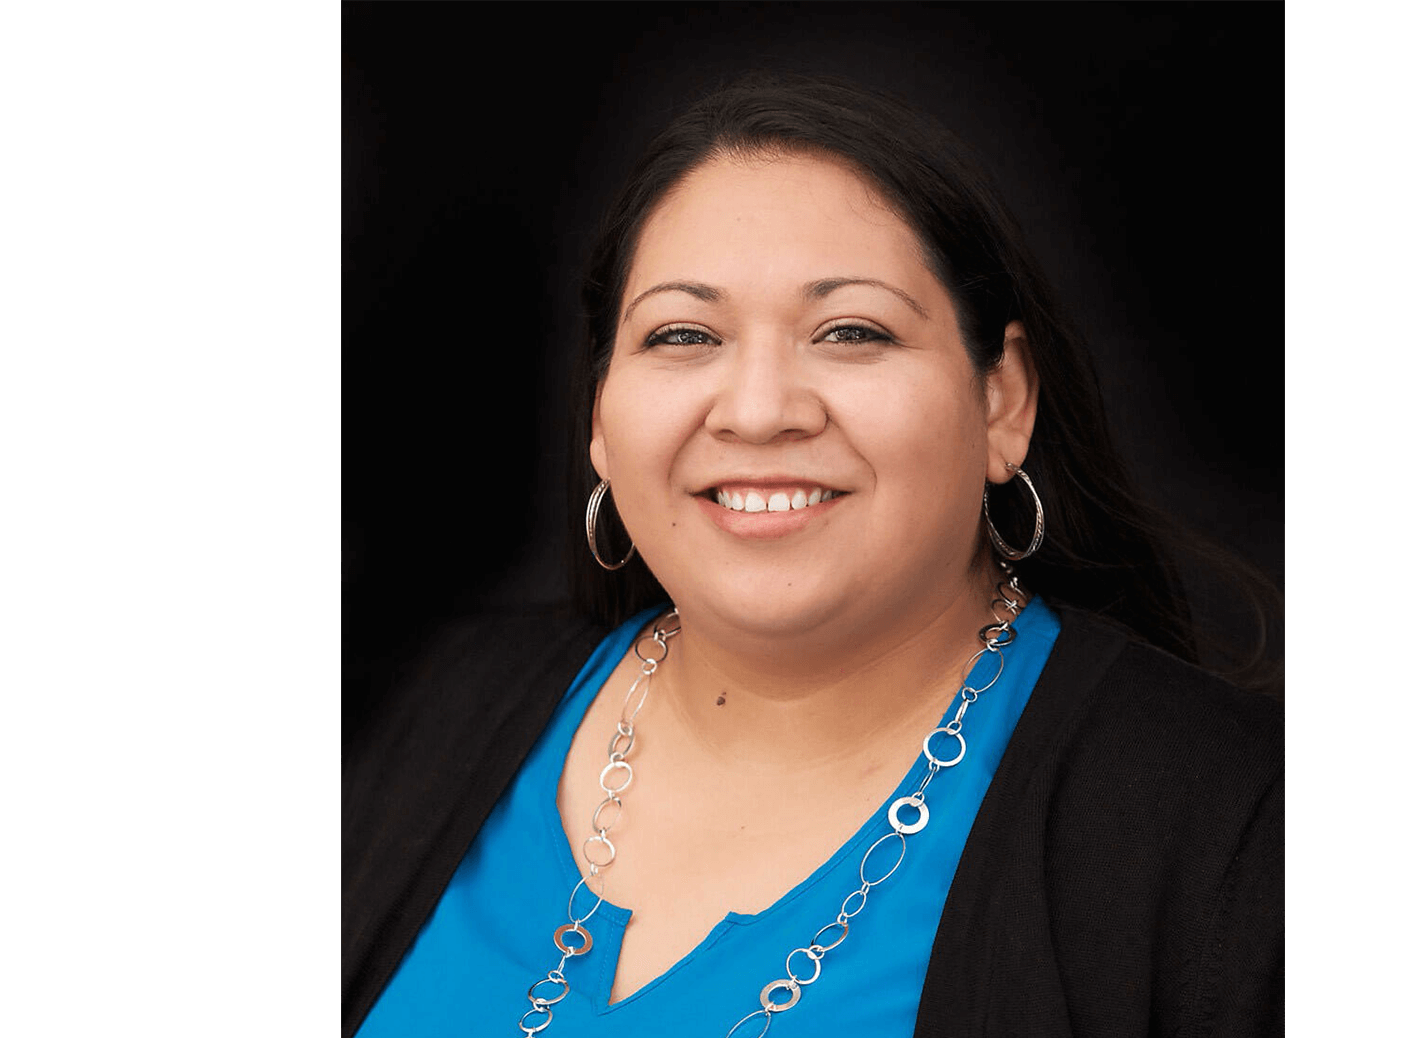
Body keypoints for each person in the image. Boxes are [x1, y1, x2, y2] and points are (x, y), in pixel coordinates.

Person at [342, 74, 1283, 1038]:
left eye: (850, 332)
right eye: (683, 334)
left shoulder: (1233, 836)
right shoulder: (424, 710)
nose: (757, 411)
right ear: (600, 419)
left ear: (1003, 401)